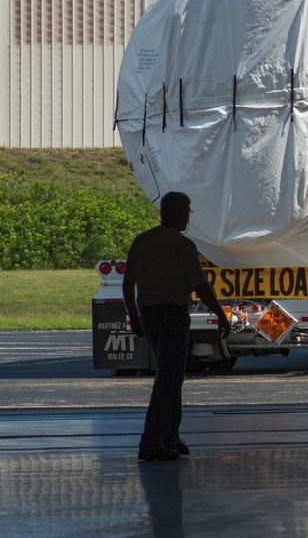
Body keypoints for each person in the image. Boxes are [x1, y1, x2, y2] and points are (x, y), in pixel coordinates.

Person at [123, 191, 229, 462]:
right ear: (179, 213)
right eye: (188, 212)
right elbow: (201, 286)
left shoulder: (143, 241)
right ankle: (152, 441)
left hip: (149, 316)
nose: (188, 217)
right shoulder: (183, 246)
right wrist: (219, 313)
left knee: (170, 376)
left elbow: (128, 283)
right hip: (172, 316)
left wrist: (134, 317)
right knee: (169, 380)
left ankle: (171, 436)